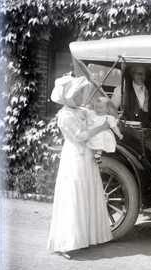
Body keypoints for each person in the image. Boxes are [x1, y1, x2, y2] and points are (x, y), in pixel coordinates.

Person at [47, 76, 113, 259]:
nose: (79, 97)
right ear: (67, 96)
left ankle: (84, 238)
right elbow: (81, 136)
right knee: (73, 195)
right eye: (75, 94)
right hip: (75, 156)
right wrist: (102, 128)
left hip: (87, 156)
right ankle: (66, 243)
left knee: (87, 192)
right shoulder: (65, 115)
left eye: (79, 93)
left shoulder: (80, 110)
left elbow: (96, 116)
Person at [84, 97, 123, 163]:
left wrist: (119, 134)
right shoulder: (92, 114)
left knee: (101, 143)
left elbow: (114, 127)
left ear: (107, 109)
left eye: (101, 108)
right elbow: (86, 110)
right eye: (96, 107)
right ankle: (95, 155)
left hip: (102, 134)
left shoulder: (109, 118)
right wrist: (85, 107)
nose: (98, 110)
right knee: (93, 145)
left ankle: (98, 155)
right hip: (94, 133)